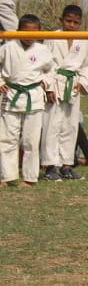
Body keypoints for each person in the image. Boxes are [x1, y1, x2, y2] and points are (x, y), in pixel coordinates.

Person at [0, 14, 55, 188]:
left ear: (39, 32)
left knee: (30, 140)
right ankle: (7, 176)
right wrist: (1, 82)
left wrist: (44, 83)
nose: (29, 35)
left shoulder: (42, 50)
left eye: (33, 32)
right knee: (7, 138)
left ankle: (30, 177)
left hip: (33, 96)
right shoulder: (7, 47)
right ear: (17, 31)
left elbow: (52, 70)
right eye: (25, 31)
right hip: (11, 94)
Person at [41, 5, 88, 181]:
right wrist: (48, 86)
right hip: (56, 83)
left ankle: (66, 165)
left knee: (70, 126)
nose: (71, 25)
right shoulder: (53, 37)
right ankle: (50, 166)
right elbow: (46, 63)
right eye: (68, 21)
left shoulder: (83, 40)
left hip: (72, 86)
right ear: (61, 20)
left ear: (80, 23)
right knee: (52, 125)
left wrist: (82, 82)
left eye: (75, 22)